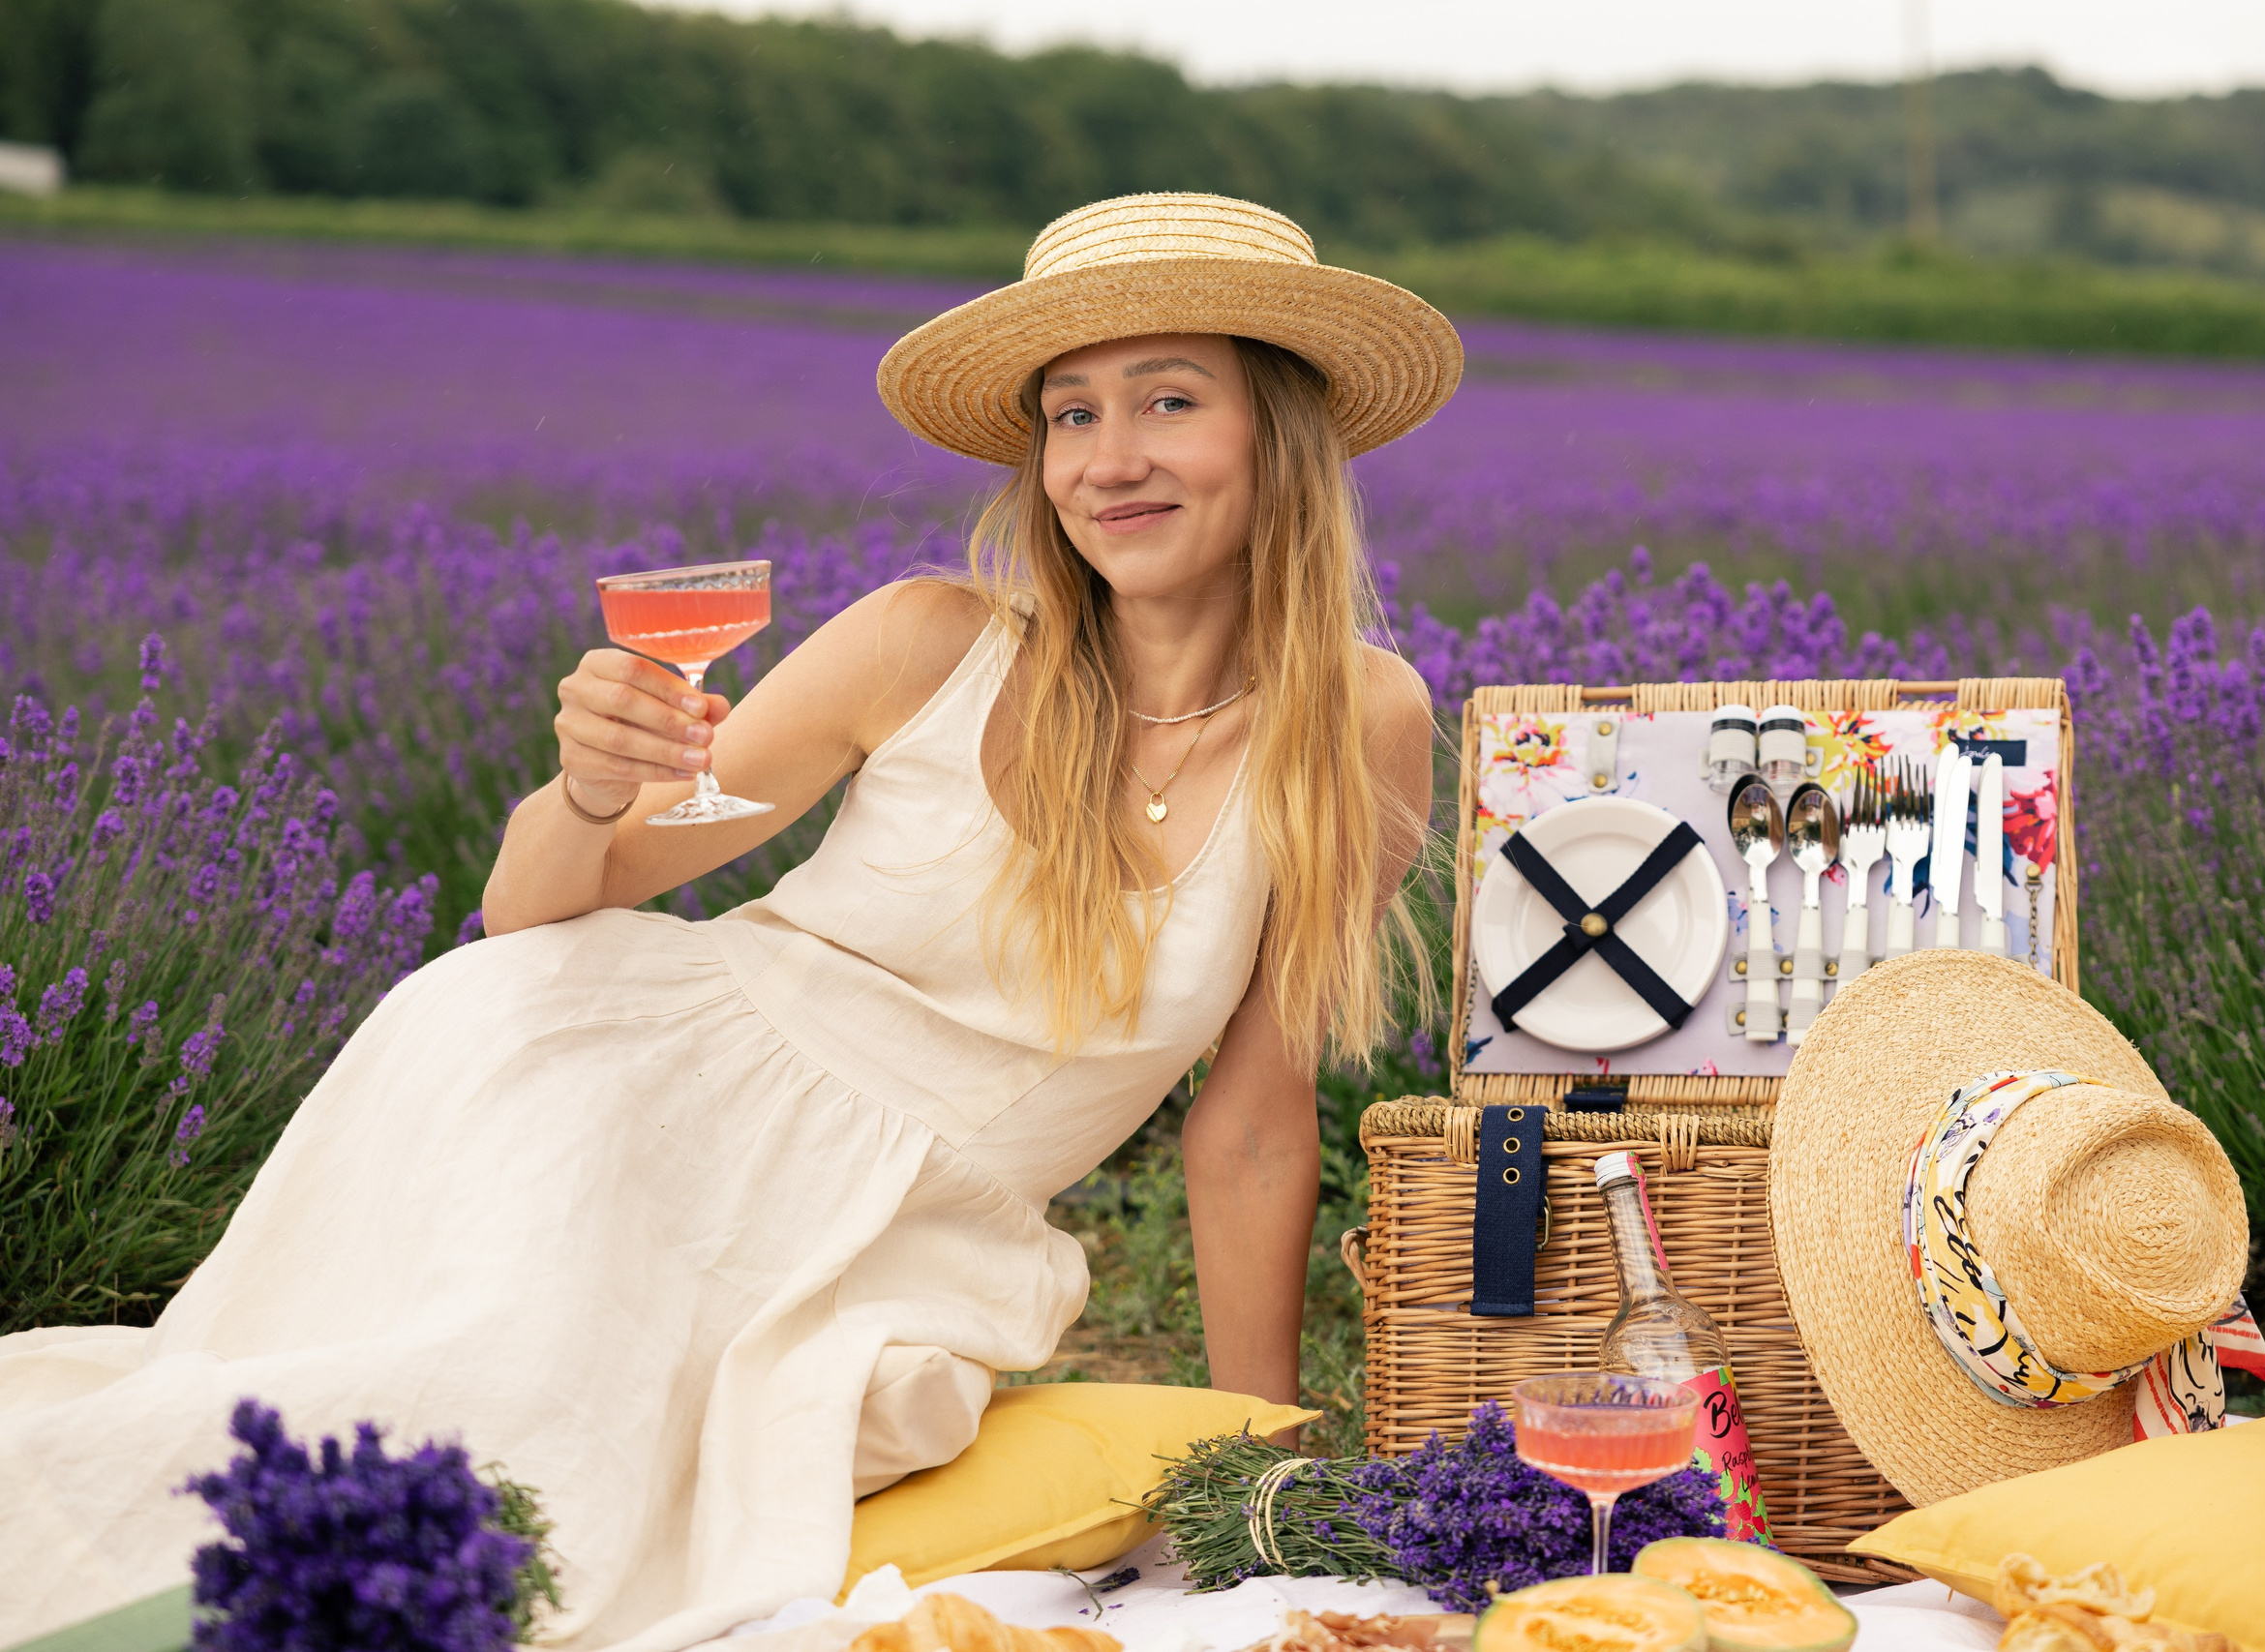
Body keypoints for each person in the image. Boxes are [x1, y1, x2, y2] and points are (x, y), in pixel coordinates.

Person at [0, 193, 1463, 1651]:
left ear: (1280, 432)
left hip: (903, 1240)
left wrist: (1256, 1446)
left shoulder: (1358, 726)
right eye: (1070, 415)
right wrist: (587, 789)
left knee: (654, 1491)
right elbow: (545, 902)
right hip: (616, 1097)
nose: (1111, 457)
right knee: (476, 1441)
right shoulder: (925, 644)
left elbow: (1257, 1120)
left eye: (1169, 399)